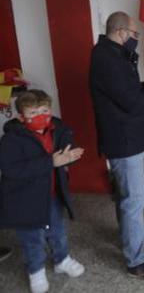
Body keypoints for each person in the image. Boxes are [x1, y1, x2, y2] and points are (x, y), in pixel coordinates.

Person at [89, 11, 144, 281]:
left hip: (126, 136)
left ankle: (131, 233)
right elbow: (132, 103)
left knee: (128, 196)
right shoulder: (107, 59)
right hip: (123, 140)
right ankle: (136, 261)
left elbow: (124, 92)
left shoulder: (112, 54)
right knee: (134, 200)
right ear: (121, 32)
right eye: (134, 34)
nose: (136, 39)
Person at [0, 90, 85, 293]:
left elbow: (67, 142)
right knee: (32, 238)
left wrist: (70, 154)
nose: (40, 116)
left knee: (57, 231)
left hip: (52, 193)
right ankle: (35, 270)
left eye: (44, 110)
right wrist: (51, 162)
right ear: (21, 117)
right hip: (24, 200)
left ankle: (61, 259)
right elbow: (12, 170)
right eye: (33, 112)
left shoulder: (57, 128)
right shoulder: (11, 140)